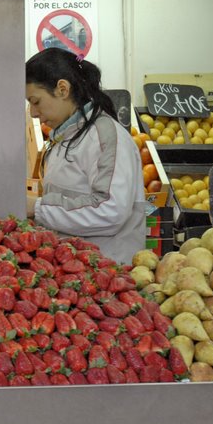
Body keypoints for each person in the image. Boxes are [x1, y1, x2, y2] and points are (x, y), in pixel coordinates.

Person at [24, 48, 145, 264]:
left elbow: (109, 210)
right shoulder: (66, 137)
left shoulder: (104, 136)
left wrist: (37, 208)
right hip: (76, 273)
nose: (33, 112)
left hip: (107, 275)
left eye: (36, 101)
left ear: (62, 89)